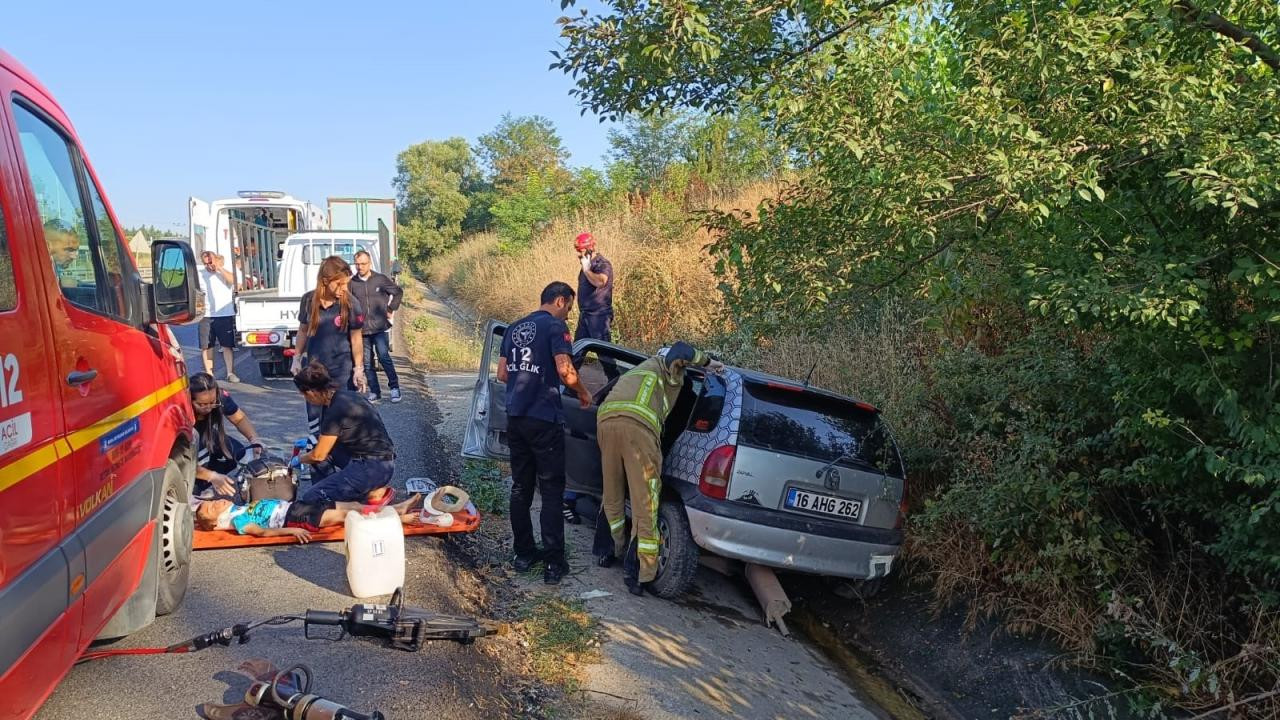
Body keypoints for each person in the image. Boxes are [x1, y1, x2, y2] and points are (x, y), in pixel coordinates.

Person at [596, 341, 723, 595]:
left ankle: (608, 551)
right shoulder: (666, 367)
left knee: (612, 494)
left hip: (606, 422)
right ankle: (639, 573)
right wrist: (710, 364)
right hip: (638, 431)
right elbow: (681, 350)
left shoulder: (637, 371)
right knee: (646, 504)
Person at [496, 281, 592, 585]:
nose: (568, 316)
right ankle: (553, 562)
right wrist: (584, 392)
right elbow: (565, 371)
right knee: (551, 490)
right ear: (561, 301)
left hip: (516, 417)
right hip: (544, 419)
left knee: (521, 488)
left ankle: (523, 554)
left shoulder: (513, 328)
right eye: (569, 309)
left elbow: (501, 374)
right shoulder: (554, 328)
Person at [565, 232, 616, 524]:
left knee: (606, 357)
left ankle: (613, 385)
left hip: (599, 315)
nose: (578, 254)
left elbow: (601, 283)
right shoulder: (586, 264)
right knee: (578, 356)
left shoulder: (600, 264)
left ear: (589, 249)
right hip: (586, 314)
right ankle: (569, 387)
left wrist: (586, 268)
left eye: (580, 250)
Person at [292, 361, 396, 505]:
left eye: (304, 395)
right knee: (315, 447)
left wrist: (299, 459)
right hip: (382, 463)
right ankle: (338, 491)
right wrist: (312, 443)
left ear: (311, 392)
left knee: (312, 498)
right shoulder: (345, 396)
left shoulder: (335, 409)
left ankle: (365, 497)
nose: (306, 399)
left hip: (372, 468)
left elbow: (318, 455)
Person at [291, 256, 367, 444]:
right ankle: (320, 465)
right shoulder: (309, 300)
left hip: (342, 372)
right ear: (326, 281)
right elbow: (302, 330)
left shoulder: (351, 303)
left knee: (342, 421)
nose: (344, 289)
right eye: (340, 285)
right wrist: (297, 357)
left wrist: (359, 370)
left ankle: (345, 466)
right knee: (317, 424)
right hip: (315, 372)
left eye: (346, 285)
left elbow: (356, 338)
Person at [194, 493, 424, 543]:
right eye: (212, 508)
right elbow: (262, 532)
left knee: (352, 504)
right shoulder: (238, 521)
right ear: (216, 522)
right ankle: (395, 518)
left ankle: (396, 509)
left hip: (296, 506)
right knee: (347, 515)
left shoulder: (238, 508)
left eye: (212, 502)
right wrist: (291, 531)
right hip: (294, 517)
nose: (216, 503)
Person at [190, 373, 265, 499]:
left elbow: (239, 419)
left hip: (208, 433)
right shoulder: (180, 408)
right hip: (188, 440)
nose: (208, 408)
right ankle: (199, 485)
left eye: (212, 403)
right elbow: (183, 463)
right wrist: (211, 476)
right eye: (201, 404)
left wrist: (254, 439)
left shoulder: (220, 397)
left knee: (237, 452)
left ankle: (208, 480)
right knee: (201, 459)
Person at [349, 250, 404, 403]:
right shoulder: (352, 283)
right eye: (357, 264)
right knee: (367, 362)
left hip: (380, 327)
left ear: (370, 263)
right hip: (362, 330)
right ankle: (374, 391)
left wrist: (391, 308)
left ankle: (394, 388)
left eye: (363, 264)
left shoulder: (380, 279)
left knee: (384, 357)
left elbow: (398, 292)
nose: (360, 267)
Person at [197, 251, 239, 383]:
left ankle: (230, 373)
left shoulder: (224, 273)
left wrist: (219, 268)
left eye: (211, 262)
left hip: (224, 314)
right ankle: (209, 374)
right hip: (206, 315)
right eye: (206, 264)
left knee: (227, 345)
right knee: (206, 346)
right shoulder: (200, 275)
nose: (209, 266)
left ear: (216, 260)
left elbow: (233, 281)